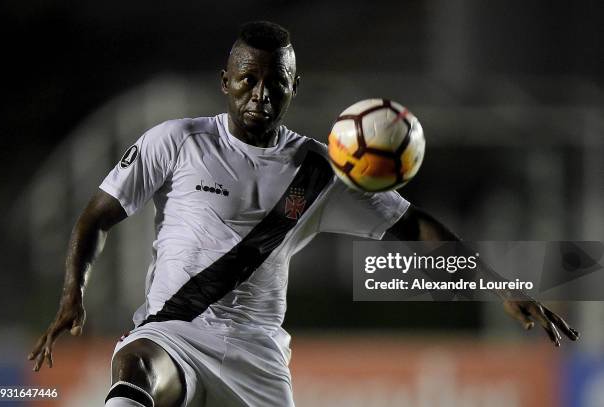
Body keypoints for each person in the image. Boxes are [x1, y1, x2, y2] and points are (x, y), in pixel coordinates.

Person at [29, 21, 579, 407]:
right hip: (176, 334)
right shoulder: (177, 142)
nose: (260, 95)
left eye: (276, 82)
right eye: (248, 80)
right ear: (226, 81)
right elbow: (96, 215)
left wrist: (499, 284)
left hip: (257, 361)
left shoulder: (320, 169)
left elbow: (417, 228)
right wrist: (72, 293)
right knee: (137, 369)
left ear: (294, 86)